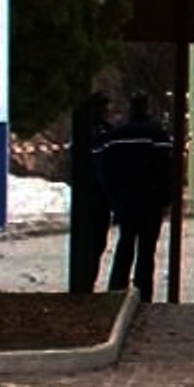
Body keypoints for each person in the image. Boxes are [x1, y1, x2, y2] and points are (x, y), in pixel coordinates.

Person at [98, 92, 173, 303]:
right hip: (150, 200)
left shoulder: (115, 136)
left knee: (125, 245)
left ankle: (116, 289)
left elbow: (106, 171)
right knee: (146, 251)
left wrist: (114, 199)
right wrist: (166, 198)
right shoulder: (157, 134)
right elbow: (165, 168)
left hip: (125, 200)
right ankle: (143, 293)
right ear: (147, 108)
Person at [88, 91, 115, 290]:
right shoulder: (88, 132)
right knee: (93, 240)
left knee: (98, 242)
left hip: (102, 194)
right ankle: (87, 280)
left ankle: (90, 280)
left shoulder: (109, 131)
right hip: (92, 192)